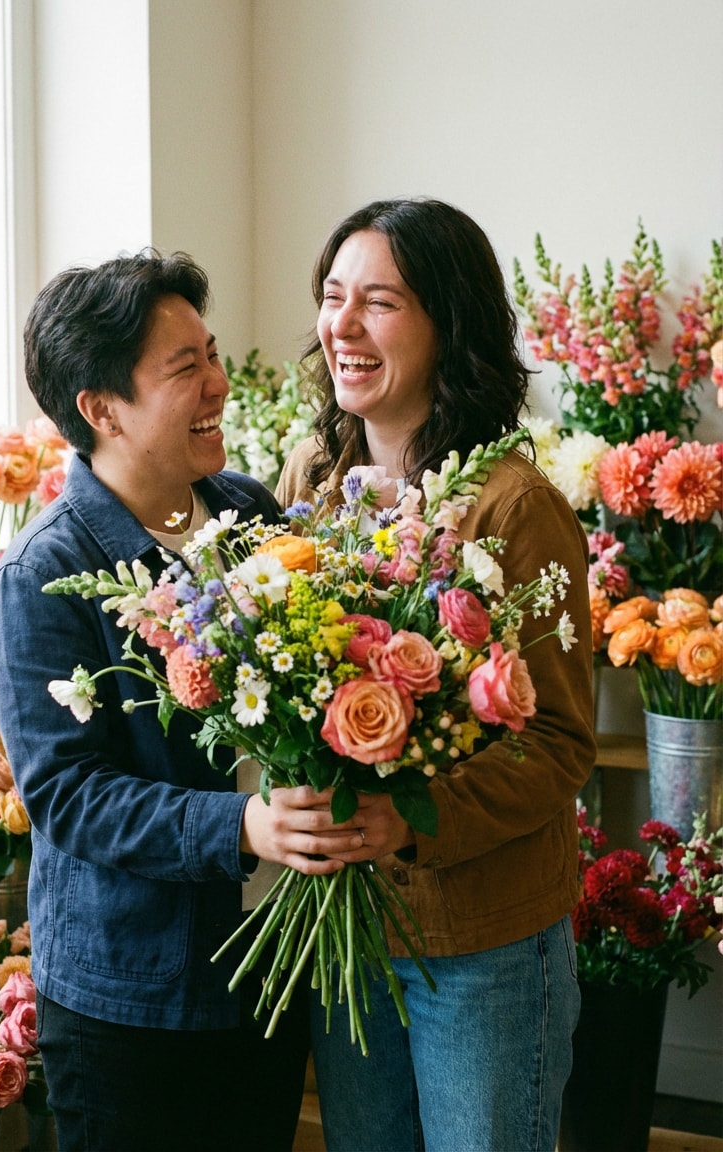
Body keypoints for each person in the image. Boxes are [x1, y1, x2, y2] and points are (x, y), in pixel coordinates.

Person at [0, 250, 365, 1152]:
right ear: (101, 408)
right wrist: (241, 827)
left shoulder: (246, 512)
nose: (218, 385)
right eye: (184, 369)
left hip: (267, 970)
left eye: (214, 354)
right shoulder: (45, 573)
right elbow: (70, 797)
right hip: (135, 1001)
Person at [276, 198, 596, 1152]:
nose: (343, 324)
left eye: (380, 301)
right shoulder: (310, 481)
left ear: (448, 325)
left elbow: (561, 742)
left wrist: (411, 823)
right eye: (334, 296)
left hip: (483, 942)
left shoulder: (516, 507)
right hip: (348, 927)